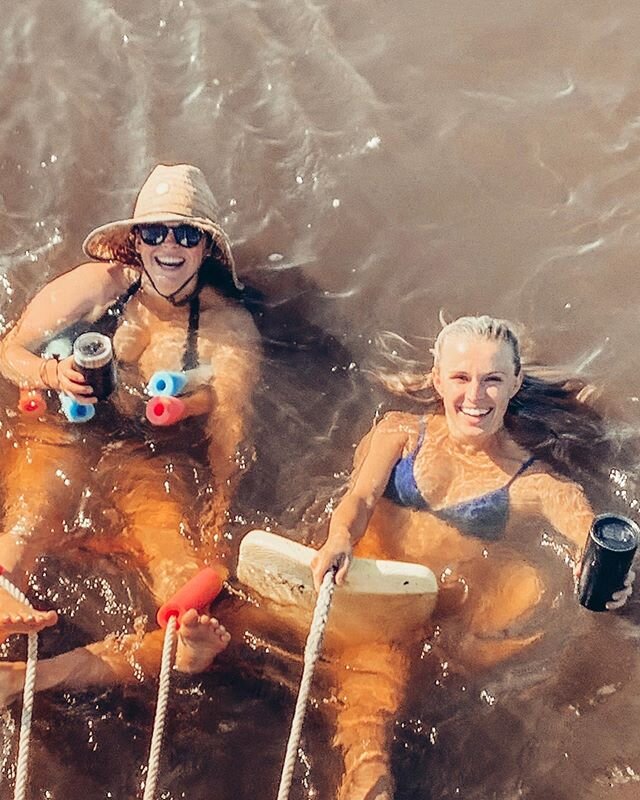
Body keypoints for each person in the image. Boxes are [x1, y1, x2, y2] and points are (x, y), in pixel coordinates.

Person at [309, 315, 636, 800]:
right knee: (374, 665)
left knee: (384, 670)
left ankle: (368, 774)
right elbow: (358, 499)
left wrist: (606, 570)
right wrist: (339, 538)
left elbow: (579, 524)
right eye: (461, 378)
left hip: (434, 600)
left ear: (515, 383)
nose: (476, 397)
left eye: (492, 380)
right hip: (368, 574)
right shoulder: (399, 433)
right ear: (437, 378)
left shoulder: (529, 480)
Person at [0, 163, 260, 693]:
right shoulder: (99, 285)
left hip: (148, 458)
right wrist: (54, 374)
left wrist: (217, 518)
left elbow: (231, 430)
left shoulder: (223, 328)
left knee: (189, 582)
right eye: (154, 232)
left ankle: (179, 646)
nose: (169, 245)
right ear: (135, 242)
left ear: (205, 247)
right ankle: (5, 583)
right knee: (26, 524)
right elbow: (10, 350)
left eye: (186, 234)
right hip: (61, 432)